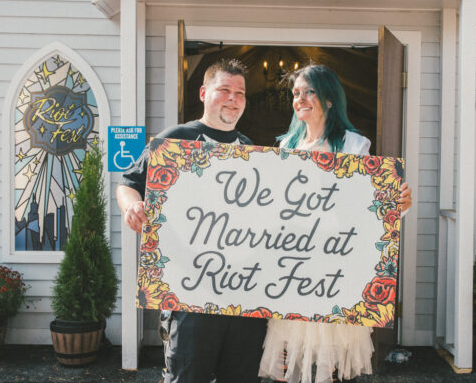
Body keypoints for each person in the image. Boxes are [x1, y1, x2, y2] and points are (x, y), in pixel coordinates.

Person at [258, 64, 412, 383]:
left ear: (329, 99)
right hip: (293, 262)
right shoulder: (287, 147)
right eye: (295, 93)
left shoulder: (354, 145)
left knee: (330, 355)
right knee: (289, 350)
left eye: (308, 91)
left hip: (335, 262)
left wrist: (399, 206)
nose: (299, 98)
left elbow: (373, 203)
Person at [116, 58, 267, 383]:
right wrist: (133, 207)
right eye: (224, 89)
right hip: (189, 292)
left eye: (240, 93)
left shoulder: (251, 150)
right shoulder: (176, 140)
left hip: (242, 293)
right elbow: (128, 184)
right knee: (187, 377)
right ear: (203, 93)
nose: (233, 98)